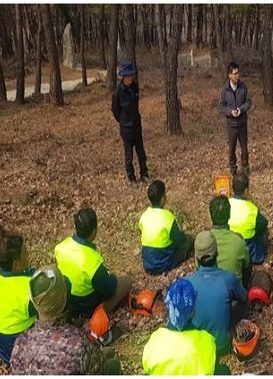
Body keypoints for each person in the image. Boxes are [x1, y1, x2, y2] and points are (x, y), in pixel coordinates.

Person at [10, 265, 121, 375]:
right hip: (88, 358)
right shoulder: (77, 344)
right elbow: (103, 372)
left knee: (103, 354)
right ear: (65, 297)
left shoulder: (20, 343)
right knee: (112, 361)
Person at [54, 208, 132, 318]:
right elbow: (108, 290)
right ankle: (98, 313)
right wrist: (113, 277)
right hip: (88, 306)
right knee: (126, 282)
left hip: (67, 301)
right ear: (94, 231)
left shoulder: (61, 247)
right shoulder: (92, 260)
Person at [142, 278, 230, 375]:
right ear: (193, 310)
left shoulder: (154, 340)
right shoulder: (208, 342)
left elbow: (147, 370)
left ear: (168, 307)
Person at [187, 231, 248, 357]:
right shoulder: (228, 279)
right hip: (221, 347)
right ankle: (234, 334)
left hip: (197, 348)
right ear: (217, 253)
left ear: (196, 257)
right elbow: (244, 297)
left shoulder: (188, 283)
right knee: (241, 302)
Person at [0, 235, 37, 364]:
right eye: (25, 255)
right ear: (16, 264)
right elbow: (44, 309)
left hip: (2, 345)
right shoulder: (27, 288)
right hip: (18, 346)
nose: (28, 256)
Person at [139, 180, 194, 275]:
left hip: (147, 264)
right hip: (164, 264)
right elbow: (180, 240)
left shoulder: (144, 216)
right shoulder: (168, 217)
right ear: (162, 198)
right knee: (189, 239)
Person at [112, 60, 149, 188]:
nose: (131, 78)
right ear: (124, 77)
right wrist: (124, 121)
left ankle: (144, 174)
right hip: (126, 129)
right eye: (129, 76)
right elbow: (115, 111)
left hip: (137, 126)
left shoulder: (135, 87)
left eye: (132, 75)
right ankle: (131, 178)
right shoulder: (118, 92)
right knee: (129, 155)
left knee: (141, 153)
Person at [209, 195, 251, 287]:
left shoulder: (204, 242)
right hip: (235, 294)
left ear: (211, 216)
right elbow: (247, 266)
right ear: (229, 215)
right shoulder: (238, 241)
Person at [219, 61, 252, 176]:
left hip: (242, 123)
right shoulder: (225, 90)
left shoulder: (243, 87)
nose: (237, 75)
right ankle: (233, 169)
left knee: (244, 147)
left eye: (238, 73)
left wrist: (241, 110)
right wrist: (230, 112)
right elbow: (221, 106)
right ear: (229, 75)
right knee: (232, 148)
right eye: (235, 73)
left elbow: (248, 102)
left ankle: (245, 168)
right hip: (231, 125)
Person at [229, 173, 269, 264]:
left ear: (232, 189)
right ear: (246, 190)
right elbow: (264, 224)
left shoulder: (227, 204)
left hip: (229, 243)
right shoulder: (252, 209)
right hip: (247, 246)